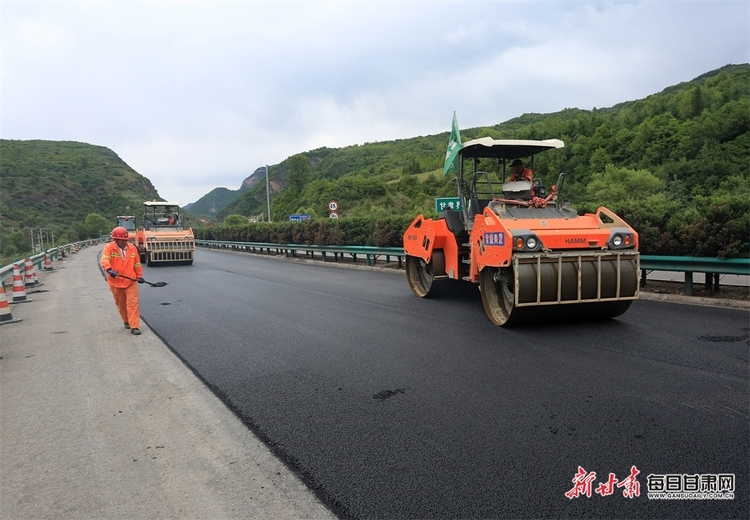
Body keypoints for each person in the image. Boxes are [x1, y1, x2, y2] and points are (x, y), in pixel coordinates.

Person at [100, 226, 144, 335]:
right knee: (121, 304)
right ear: (116, 240)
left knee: (132, 303)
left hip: (130, 281)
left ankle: (134, 326)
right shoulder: (109, 248)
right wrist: (109, 269)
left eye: (126, 240)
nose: (125, 242)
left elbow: (137, 263)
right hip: (116, 282)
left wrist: (139, 276)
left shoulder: (132, 248)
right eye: (122, 240)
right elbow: (105, 259)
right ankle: (126, 320)